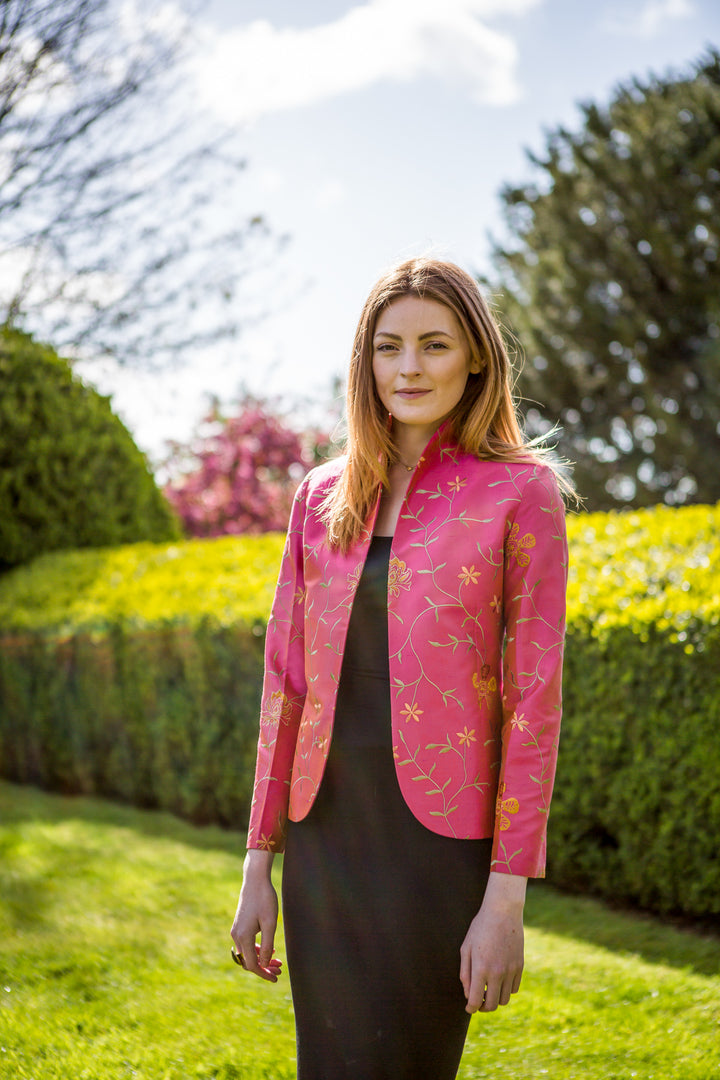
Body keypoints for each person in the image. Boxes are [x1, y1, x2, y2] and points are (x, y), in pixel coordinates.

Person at [231, 256, 571, 1080]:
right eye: (389, 347)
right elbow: (287, 685)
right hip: (327, 844)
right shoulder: (320, 495)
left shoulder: (520, 495)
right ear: (365, 361)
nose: (410, 367)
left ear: (476, 358)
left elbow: (534, 704)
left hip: (438, 855)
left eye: (434, 344)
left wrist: (506, 897)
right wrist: (257, 865)